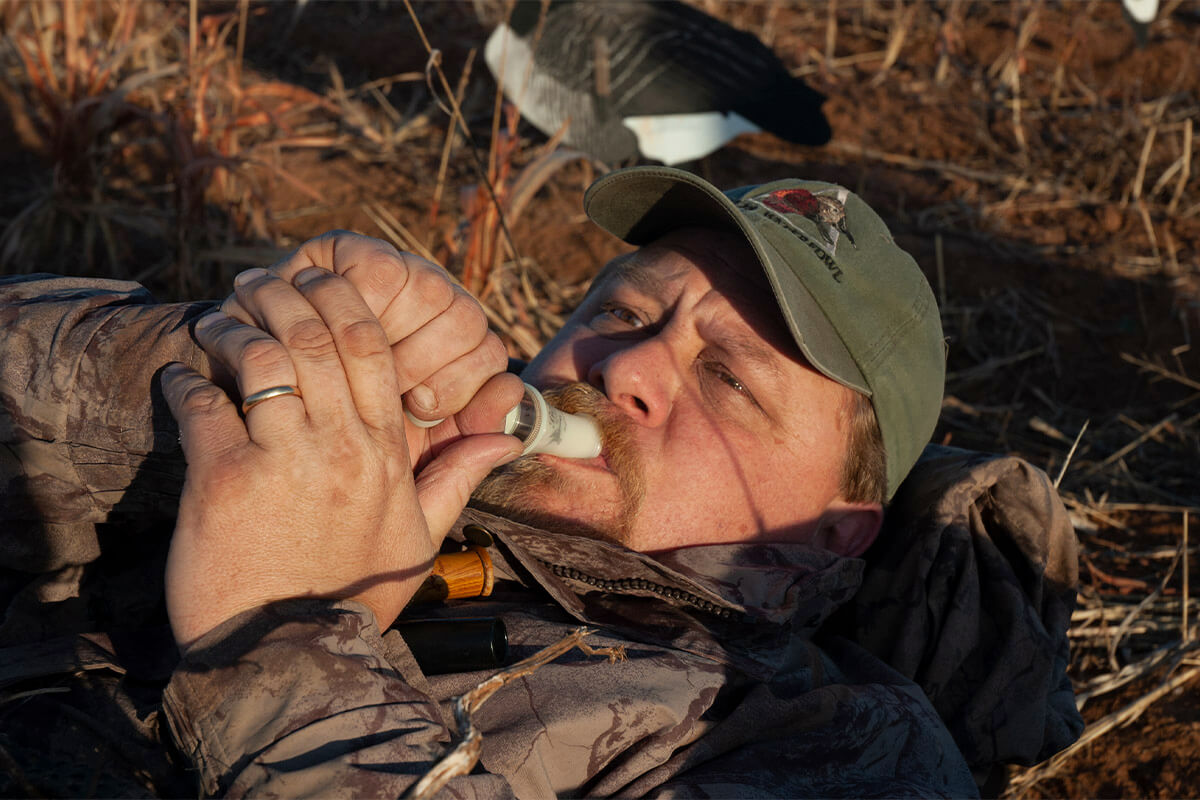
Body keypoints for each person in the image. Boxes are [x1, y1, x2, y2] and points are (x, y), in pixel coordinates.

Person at [0, 167, 1080, 797]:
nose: (627, 364)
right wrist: (239, 366)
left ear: (840, 527)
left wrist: (280, 642)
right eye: (617, 312)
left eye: (730, 379)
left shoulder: (836, 739)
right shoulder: (374, 456)